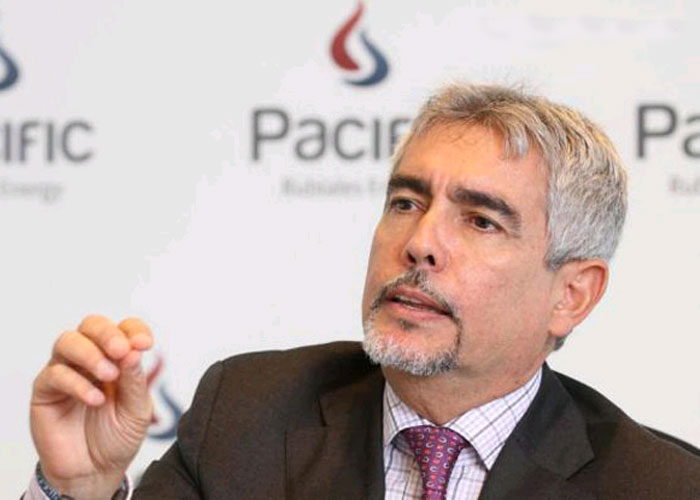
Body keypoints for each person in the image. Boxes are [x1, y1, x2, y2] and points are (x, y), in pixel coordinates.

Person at [24, 83, 700, 499]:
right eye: (406, 202)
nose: (421, 242)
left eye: (481, 221)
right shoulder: (247, 415)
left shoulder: (660, 487)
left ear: (572, 294)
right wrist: (78, 489)